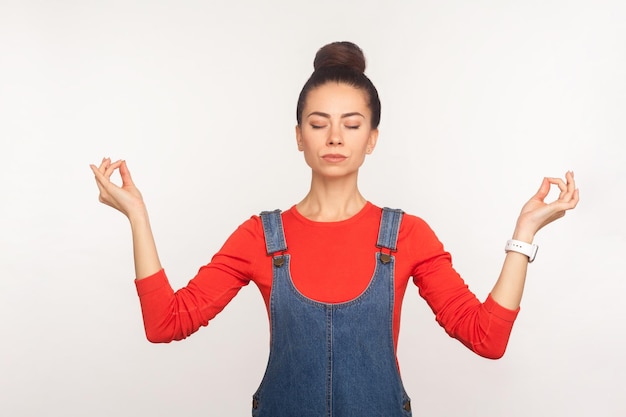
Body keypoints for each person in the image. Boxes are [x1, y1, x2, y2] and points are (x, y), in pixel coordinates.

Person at [90, 41, 579, 417]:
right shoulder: (260, 237)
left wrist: (525, 233)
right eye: (319, 123)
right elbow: (165, 323)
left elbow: (486, 338)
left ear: (372, 139)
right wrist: (137, 215)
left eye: (352, 123)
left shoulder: (408, 236)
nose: (335, 137)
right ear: (299, 136)